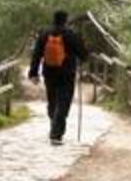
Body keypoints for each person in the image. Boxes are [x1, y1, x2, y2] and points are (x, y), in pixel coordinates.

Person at [28, 10, 89, 145]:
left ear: (53, 19)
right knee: (63, 102)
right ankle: (56, 133)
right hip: (67, 74)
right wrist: (82, 47)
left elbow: (36, 54)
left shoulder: (45, 34)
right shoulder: (70, 34)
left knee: (53, 100)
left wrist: (33, 73)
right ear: (66, 20)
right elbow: (84, 55)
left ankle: (54, 123)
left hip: (49, 73)